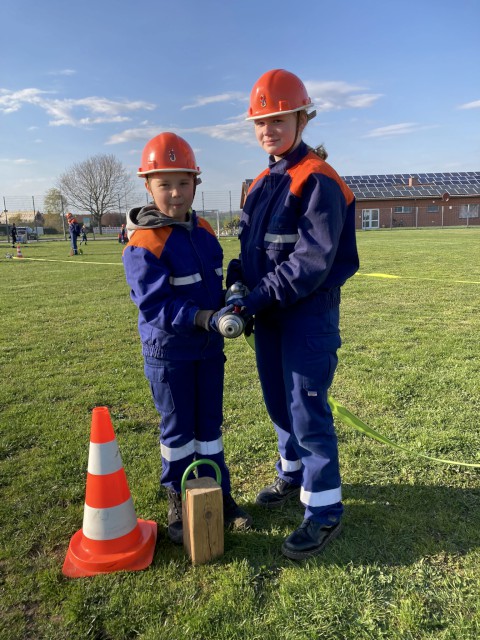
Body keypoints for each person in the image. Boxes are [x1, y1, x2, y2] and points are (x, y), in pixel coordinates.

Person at [226, 69, 359, 560]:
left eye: (278, 118)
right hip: (271, 314)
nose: (268, 129)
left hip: (306, 316)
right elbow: (250, 249)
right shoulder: (262, 181)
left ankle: (324, 512)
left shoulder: (318, 179)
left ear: (302, 117)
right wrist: (237, 280)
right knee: (278, 402)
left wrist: (255, 297)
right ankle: (293, 474)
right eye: (260, 122)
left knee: (307, 410)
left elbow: (309, 264)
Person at [122, 132, 252, 544]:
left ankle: (219, 496)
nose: (175, 193)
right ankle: (178, 500)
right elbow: (156, 307)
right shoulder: (144, 244)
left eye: (183, 183)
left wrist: (232, 291)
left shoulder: (205, 231)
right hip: (170, 355)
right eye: (164, 184)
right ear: (148, 186)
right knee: (179, 432)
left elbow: (211, 285)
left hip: (208, 350)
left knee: (209, 427)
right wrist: (205, 318)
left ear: (196, 183)